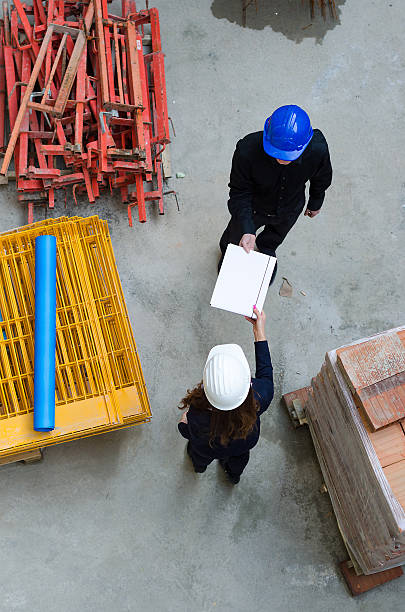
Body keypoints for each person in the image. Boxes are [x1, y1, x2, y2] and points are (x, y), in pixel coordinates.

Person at [219, 105, 332, 270]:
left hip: (290, 207)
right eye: (276, 153)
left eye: (288, 155)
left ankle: (267, 248)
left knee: (275, 236)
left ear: (306, 143)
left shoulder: (318, 150)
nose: (281, 160)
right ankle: (228, 255)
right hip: (253, 208)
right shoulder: (247, 151)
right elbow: (239, 192)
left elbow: (321, 177)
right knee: (234, 238)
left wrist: (316, 201)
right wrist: (247, 228)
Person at [178, 306, 273, 484]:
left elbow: (186, 431)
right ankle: (233, 475)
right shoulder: (260, 397)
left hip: (208, 449)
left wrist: (183, 423)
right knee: (239, 459)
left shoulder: (197, 416)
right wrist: (258, 331)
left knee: (199, 456)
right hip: (245, 442)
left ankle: (200, 468)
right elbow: (266, 372)